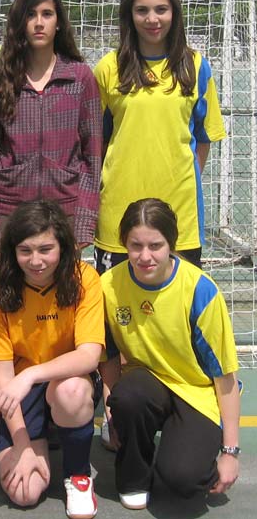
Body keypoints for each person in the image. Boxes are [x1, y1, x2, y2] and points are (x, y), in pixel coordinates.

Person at [100, 198, 240, 510]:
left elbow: (225, 376)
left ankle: (185, 452)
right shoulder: (108, 286)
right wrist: (110, 413)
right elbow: (107, 357)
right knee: (127, 398)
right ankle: (133, 476)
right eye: (135, 245)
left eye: (155, 245)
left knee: (181, 482)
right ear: (124, 243)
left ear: (171, 244)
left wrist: (230, 451)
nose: (145, 256)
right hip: (144, 386)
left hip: (196, 391)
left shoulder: (200, 291)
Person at [0, 200, 105, 519]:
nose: (36, 261)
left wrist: (31, 375)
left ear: (63, 247)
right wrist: (21, 445)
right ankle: (40, 437)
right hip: (21, 395)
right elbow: (5, 379)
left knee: (71, 392)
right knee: (25, 493)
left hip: (66, 380)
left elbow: (89, 356)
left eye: (46, 249)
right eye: (25, 250)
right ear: (12, 251)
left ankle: (77, 474)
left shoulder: (84, 279)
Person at [93, 0, 226, 275]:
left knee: (177, 314)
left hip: (179, 213)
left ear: (174, 12)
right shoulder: (108, 68)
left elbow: (203, 138)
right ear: (130, 14)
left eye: (161, 9)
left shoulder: (195, 66)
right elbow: (94, 142)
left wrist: (178, 174)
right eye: (142, 10)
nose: (152, 19)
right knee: (115, 316)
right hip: (118, 213)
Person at [0, 0, 102, 259]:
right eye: (30, 15)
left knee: (64, 300)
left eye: (47, 14)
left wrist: (83, 224)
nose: (38, 23)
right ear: (19, 23)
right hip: (12, 213)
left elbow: (92, 158)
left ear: (59, 22)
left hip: (63, 214)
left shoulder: (79, 79)